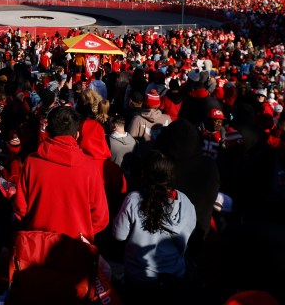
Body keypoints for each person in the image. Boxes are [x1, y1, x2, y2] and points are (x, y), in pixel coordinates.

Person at [13, 105, 108, 241]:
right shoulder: (90, 166)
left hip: (38, 245)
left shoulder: (32, 162)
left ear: (49, 131)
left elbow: (20, 208)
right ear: (77, 135)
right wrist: (82, 231)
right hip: (76, 246)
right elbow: (100, 217)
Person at [111, 150, 197, 298]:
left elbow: (118, 235)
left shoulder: (133, 200)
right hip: (174, 278)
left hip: (138, 278)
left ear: (144, 174)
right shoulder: (186, 201)